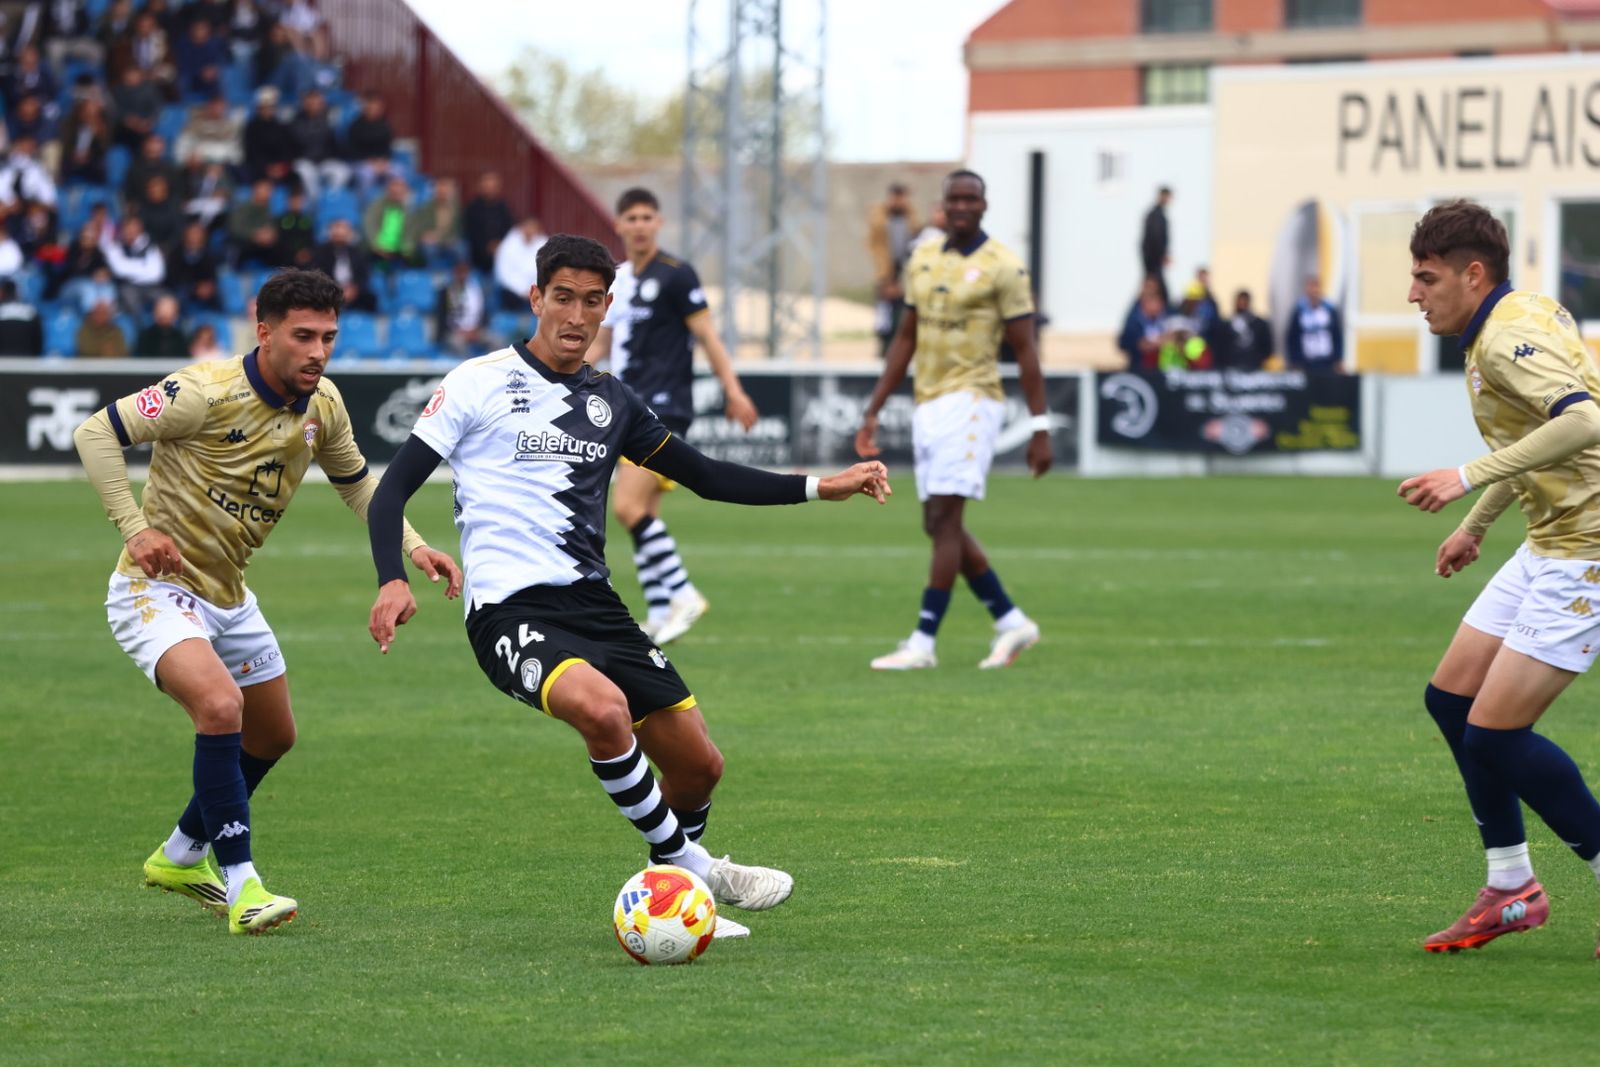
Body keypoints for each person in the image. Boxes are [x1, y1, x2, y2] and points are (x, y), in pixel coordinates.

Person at [365, 234, 890, 939]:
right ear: (536, 298)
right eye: (562, 298)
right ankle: (691, 865)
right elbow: (389, 491)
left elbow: (705, 475)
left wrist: (823, 486)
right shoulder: (477, 382)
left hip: (596, 607)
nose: (576, 315)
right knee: (604, 711)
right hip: (508, 612)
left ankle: (668, 890)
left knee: (701, 764)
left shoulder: (612, 401)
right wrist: (390, 578)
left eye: (591, 301)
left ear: (608, 306)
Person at [72, 269, 461, 935]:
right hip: (156, 591)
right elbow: (94, 433)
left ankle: (178, 856)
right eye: (302, 336)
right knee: (221, 707)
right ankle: (243, 885)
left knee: (273, 733)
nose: (317, 351)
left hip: (229, 596)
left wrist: (413, 546)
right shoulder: (201, 392)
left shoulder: (324, 405)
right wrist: (137, 531)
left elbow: (357, 484)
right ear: (263, 331)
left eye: (329, 338)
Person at [1397, 199, 1600, 956]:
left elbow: (1583, 421)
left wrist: (1463, 476)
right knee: (1450, 699)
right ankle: (1512, 884)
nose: (1415, 294)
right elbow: (1540, 437)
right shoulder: (1524, 311)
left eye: (1426, 277)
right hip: (1549, 538)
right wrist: (1477, 524)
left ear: (1471, 273)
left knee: (1493, 733)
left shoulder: (1505, 337)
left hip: (1589, 548)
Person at [855, 169, 1050, 671]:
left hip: (974, 399)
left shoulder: (1003, 265)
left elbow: (1026, 349)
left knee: (945, 520)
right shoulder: (923, 257)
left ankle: (923, 642)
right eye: (955, 198)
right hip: (928, 401)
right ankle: (1010, 621)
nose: (963, 206)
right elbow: (905, 337)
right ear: (943, 206)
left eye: (972, 199)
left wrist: (1040, 427)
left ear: (984, 206)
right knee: (937, 522)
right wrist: (874, 407)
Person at [589, 187, 759, 643]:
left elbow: (707, 337)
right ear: (620, 224)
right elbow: (603, 343)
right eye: (632, 217)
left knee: (625, 506)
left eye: (648, 217)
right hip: (627, 404)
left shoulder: (677, 275)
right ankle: (662, 612)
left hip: (662, 406)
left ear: (658, 223)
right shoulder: (616, 280)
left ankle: (683, 594)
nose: (640, 225)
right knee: (642, 510)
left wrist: (734, 390)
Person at [867, 182, 920, 358]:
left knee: (904, 314)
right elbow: (875, 245)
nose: (900, 202)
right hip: (886, 272)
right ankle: (884, 352)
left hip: (905, 271)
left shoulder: (911, 217)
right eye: (896, 197)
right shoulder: (880, 217)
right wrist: (885, 278)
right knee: (885, 318)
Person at [1285, 274, 1343, 373]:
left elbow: (1337, 336)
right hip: (1305, 362)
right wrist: (1294, 360)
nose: (1313, 291)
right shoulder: (1299, 310)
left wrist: (1338, 358)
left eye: (1315, 287)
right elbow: (1292, 336)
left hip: (1327, 361)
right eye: (1310, 287)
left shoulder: (1329, 310)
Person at [493, 215, 546, 310]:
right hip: (512, 291)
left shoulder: (542, 243)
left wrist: (531, 290)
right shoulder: (510, 242)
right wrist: (521, 291)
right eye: (528, 226)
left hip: (534, 291)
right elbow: (503, 273)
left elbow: (543, 271)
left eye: (533, 227)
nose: (530, 230)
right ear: (522, 227)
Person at [1218, 289, 1273, 370]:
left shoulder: (1259, 324)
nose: (1242, 304)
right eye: (1240, 301)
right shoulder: (1227, 325)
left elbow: (1266, 346)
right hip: (1232, 367)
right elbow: (1222, 346)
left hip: (1253, 366)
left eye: (1244, 301)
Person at [1140, 186, 1172, 305]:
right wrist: (1162, 255)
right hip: (1153, 261)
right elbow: (1155, 238)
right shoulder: (1156, 215)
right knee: (1159, 290)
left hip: (1152, 260)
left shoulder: (1156, 214)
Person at [134, 293, 188, 358]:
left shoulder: (180, 337)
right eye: (162, 310)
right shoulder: (145, 336)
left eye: (169, 310)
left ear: (176, 314)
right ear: (154, 312)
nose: (165, 314)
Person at [0, 278, 44, 355]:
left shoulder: (31, 312)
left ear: (3, 293)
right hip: (27, 359)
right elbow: (38, 343)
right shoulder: (31, 311)